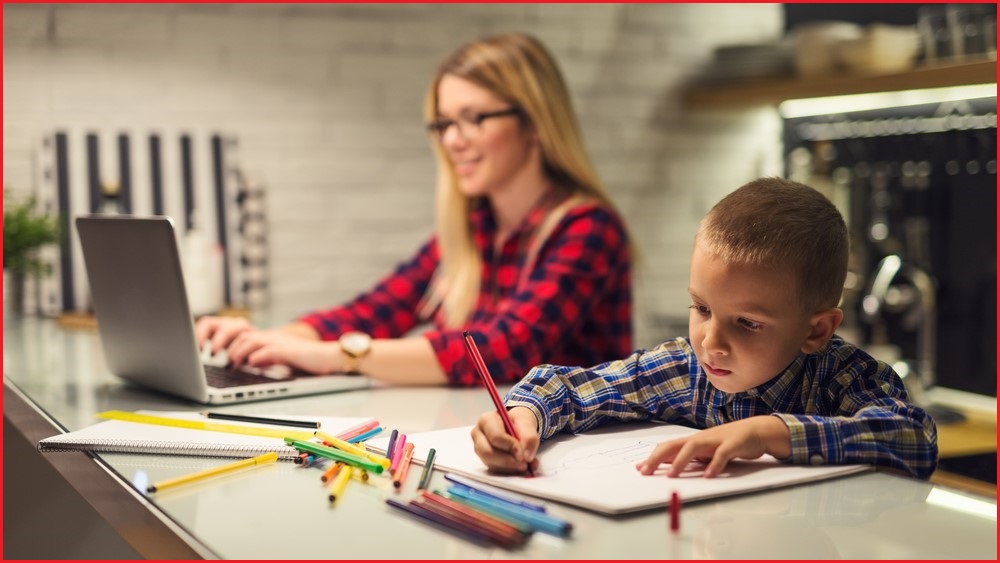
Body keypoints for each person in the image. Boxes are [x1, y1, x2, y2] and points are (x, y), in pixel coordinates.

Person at [195, 32, 633, 386]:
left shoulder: (589, 228)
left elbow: (499, 351)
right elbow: (374, 311)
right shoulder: (473, 230)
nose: (452, 141)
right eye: (444, 123)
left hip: (579, 455)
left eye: (474, 118)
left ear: (534, 123)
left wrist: (336, 356)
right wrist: (269, 340)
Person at [471, 177, 938, 480]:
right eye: (702, 308)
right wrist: (523, 418)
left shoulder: (844, 378)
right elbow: (570, 387)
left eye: (748, 323)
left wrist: (766, 433)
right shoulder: (687, 369)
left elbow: (915, 436)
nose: (711, 342)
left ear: (815, 331)